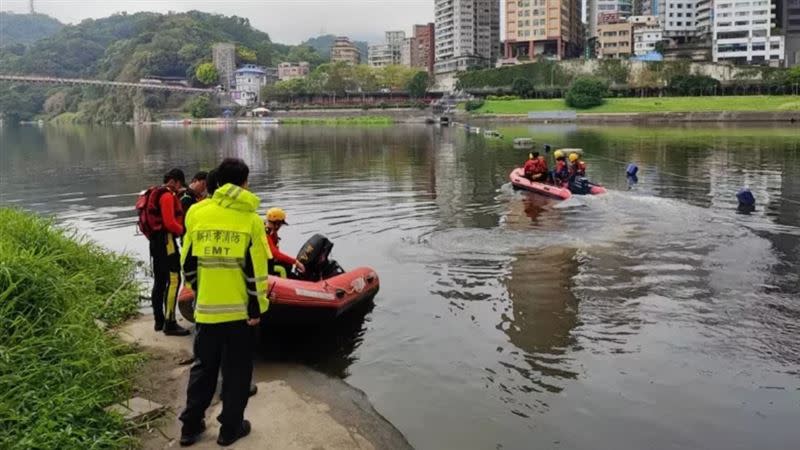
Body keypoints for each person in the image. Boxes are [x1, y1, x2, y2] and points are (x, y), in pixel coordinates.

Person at [179, 158, 270, 447]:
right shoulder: (252, 220)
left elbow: (188, 262)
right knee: (237, 373)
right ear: (244, 182)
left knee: (203, 369)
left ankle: (190, 427)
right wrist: (256, 310)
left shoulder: (196, 212)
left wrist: (200, 290)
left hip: (206, 310)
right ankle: (230, 429)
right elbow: (256, 272)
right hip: (241, 315)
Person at [149, 168, 190, 336]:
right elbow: (169, 223)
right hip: (167, 243)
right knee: (174, 279)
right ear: (176, 181)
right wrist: (184, 231)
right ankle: (170, 322)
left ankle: (159, 321)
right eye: (180, 184)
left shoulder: (156, 192)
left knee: (159, 281)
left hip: (155, 243)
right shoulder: (166, 196)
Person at [264, 208, 305, 278]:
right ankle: (285, 285)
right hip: (262, 264)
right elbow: (275, 254)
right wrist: (296, 262)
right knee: (282, 269)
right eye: (279, 224)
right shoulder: (265, 233)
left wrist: (290, 261)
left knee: (288, 264)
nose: (279, 227)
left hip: (268, 260)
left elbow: (276, 253)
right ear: (276, 223)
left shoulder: (272, 231)